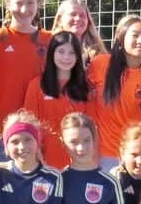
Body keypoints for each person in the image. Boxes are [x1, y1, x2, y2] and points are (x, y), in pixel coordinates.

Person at [86, 14, 141, 172]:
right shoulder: (101, 64)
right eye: (135, 35)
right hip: (103, 152)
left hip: (134, 154)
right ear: (120, 38)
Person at [0, 0, 51, 166]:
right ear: (8, 4)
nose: (24, 9)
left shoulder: (50, 40)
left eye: (30, 3)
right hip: (2, 128)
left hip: (39, 128)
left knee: (38, 190)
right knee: (1, 188)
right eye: (19, 3)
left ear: (39, 4)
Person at [23, 30, 93, 170]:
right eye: (61, 51)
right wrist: (36, 153)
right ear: (52, 53)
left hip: (78, 159)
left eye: (72, 52)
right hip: (46, 160)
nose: (66, 57)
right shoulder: (37, 85)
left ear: (78, 56)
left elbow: (91, 126)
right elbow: (29, 124)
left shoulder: (86, 87)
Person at [50, 0, 107, 65]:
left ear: (88, 21)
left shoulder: (98, 53)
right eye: (73, 14)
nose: (78, 19)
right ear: (60, 20)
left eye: (82, 15)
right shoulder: (49, 47)